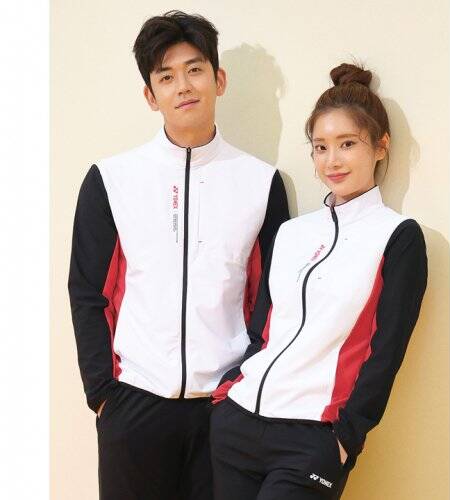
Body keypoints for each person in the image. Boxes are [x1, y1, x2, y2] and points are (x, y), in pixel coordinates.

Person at [67, 10, 289, 500]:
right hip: (134, 405)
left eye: (194, 69)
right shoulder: (112, 180)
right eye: (166, 76)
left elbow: (272, 299)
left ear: (218, 79)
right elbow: (87, 292)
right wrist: (103, 393)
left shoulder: (261, 184)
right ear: (151, 95)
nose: (183, 86)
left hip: (225, 410)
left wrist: (244, 385)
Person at [210, 63, 428, 500]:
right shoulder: (292, 233)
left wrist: (347, 437)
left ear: (380, 146)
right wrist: (227, 391)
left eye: (348, 144)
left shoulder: (397, 237)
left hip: (313, 438)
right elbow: (262, 330)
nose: (332, 160)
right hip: (237, 423)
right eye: (320, 147)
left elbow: (386, 351)